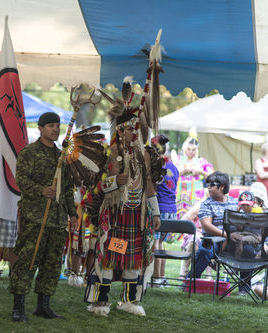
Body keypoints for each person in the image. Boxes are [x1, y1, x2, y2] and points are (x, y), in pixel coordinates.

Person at [85, 108, 161, 317]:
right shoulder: (112, 152)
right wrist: (114, 181)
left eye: (135, 129)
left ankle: (130, 301)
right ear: (119, 131)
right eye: (129, 129)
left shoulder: (144, 154)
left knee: (134, 259)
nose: (133, 133)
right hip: (115, 214)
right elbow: (98, 185)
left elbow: (147, 183)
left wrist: (155, 213)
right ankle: (101, 301)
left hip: (138, 214)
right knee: (110, 256)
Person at [9, 112, 78, 321]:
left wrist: (72, 214)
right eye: (51, 126)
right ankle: (18, 306)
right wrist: (41, 190)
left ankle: (43, 305)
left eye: (57, 126)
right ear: (40, 128)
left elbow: (67, 189)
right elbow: (20, 179)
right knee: (27, 260)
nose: (55, 129)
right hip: (35, 216)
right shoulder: (29, 153)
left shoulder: (61, 157)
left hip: (57, 219)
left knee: (52, 263)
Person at [189, 171, 237, 279]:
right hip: (212, 240)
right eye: (207, 185)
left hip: (233, 241)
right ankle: (191, 279)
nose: (208, 187)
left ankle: (244, 287)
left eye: (212, 185)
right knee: (205, 251)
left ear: (222, 187)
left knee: (248, 248)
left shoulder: (235, 203)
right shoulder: (207, 203)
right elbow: (206, 225)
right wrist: (225, 235)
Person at [151, 134, 179, 287]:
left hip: (159, 208)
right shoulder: (173, 167)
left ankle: (156, 278)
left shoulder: (157, 165)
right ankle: (160, 277)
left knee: (155, 242)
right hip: (171, 209)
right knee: (160, 243)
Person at [175, 131, 214, 219]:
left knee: (194, 215)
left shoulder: (202, 162)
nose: (190, 152)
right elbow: (171, 175)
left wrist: (200, 172)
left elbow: (213, 177)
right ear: (185, 148)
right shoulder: (178, 160)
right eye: (188, 149)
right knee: (179, 216)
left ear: (197, 150)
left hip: (196, 195)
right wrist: (184, 170)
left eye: (193, 149)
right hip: (180, 194)